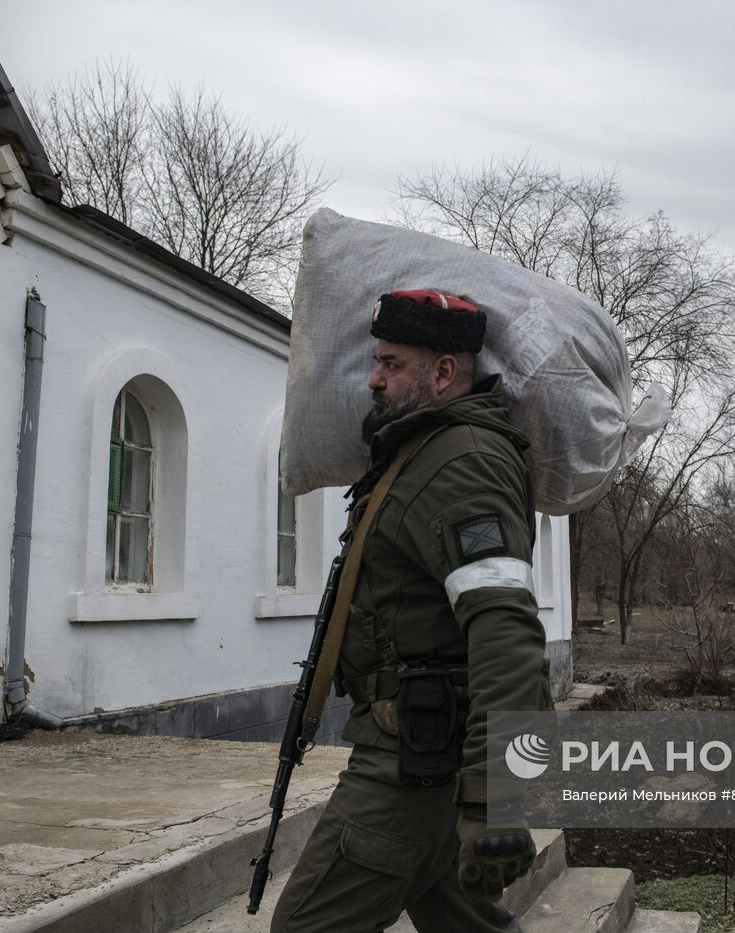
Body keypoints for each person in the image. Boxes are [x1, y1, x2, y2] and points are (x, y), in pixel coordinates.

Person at [271, 290, 552, 933]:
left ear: (444, 372)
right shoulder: (421, 452)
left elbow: (507, 634)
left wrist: (493, 801)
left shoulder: (464, 462)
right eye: (377, 361)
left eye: (392, 363)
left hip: (414, 766)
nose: (374, 377)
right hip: (423, 749)